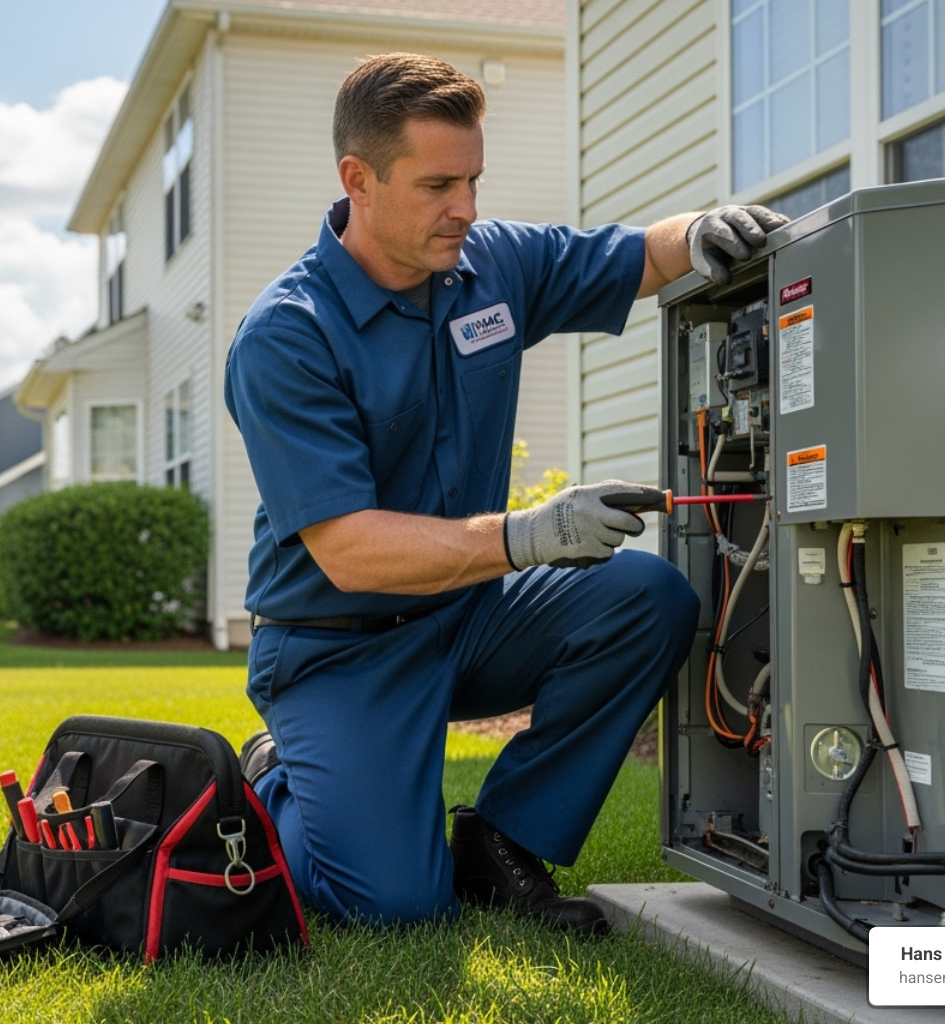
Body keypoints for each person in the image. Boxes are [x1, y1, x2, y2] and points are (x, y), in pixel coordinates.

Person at [224, 52, 786, 934]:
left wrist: (706, 229)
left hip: (469, 615)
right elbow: (351, 550)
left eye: (475, 180)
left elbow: (639, 254)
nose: (467, 209)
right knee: (394, 906)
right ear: (357, 180)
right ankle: (275, 773)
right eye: (439, 184)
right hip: (339, 646)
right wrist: (532, 535)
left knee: (645, 597)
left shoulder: (491, 266)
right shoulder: (288, 337)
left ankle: (503, 838)